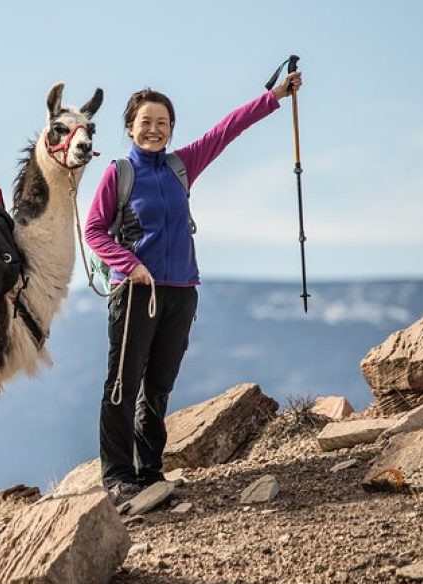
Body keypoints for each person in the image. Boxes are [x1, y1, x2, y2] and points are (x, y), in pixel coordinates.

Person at [84, 71, 303, 504]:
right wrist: (129, 266)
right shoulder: (119, 173)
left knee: (159, 386)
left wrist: (275, 96)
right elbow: (93, 230)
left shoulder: (182, 165)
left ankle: (149, 473)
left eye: (163, 122)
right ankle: (116, 477)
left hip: (182, 291)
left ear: (171, 129)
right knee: (123, 384)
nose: (154, 129)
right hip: (135, 293)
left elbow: (227, 129)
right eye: (146, 121)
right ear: (130, 127)